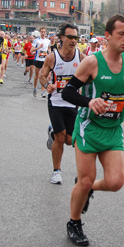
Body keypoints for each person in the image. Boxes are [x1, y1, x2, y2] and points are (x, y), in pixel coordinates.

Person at [61, 14, 124, 247]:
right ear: (107, 36)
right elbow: (68, 92)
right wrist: (89, 102)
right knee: (86, 180)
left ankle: (86, 188)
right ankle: (74, 223)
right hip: (89, 128)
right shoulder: (92, 62)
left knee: (115, 182)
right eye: (121, 34)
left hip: (113, 129)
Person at [39, 23, 85, 184]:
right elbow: (42, 76)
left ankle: (52, 132)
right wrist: (47, 85)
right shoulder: (52, 57)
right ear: (62, 38)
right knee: (60, 138)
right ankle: (56, 171)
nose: (73, 40)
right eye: (70, 37)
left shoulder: (81, 57)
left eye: (76, 37)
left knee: (69, 140)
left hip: (72, 104)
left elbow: (91, 75)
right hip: (56, 103)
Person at [31, 27, 51, 98]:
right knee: (37, 76)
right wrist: (38, 47)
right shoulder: (36, 40)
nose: (43, 33)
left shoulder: (48, 41)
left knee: (43, 76)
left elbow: (49, 48)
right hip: (38, 59)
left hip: (45, 60)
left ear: (46, 32)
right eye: (42, 32)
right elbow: (31, 50)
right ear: (40, 32)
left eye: (44, 32)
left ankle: (43, 91)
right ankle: (35, 88)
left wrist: (49, 53)